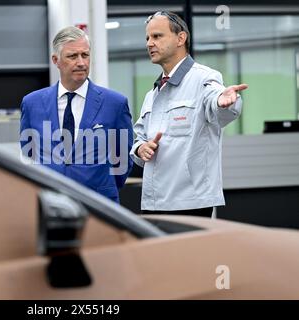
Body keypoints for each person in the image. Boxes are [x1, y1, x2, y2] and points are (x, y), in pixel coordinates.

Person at [130, 11, 248, 217]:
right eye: (147, 38)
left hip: (191, 202)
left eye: (157, 36)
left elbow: (218, 102)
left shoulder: (205, 78)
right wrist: (141, 149)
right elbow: (139, 138)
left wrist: (223, 102)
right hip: (154, 202)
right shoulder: (152, 95)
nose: (149, 43)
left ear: (180, 38)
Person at [20, 26, 133, 203]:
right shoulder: (31, 103)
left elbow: (122, 162)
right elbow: (29, 154)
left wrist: (103, 187)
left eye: (85, 55)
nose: (81, 62)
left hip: (100, 205)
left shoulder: (115, 104)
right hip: (50, 202)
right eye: (72, 56)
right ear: (56, 60)